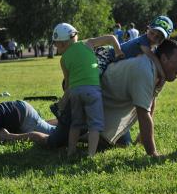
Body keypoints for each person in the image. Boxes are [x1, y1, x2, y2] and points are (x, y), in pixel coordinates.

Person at [0, 39, 177, 157]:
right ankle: (12, 135)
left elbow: (150, 102)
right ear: (163, 59)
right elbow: (143, 113)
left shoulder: (156, 73)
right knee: (55, 142)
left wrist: (142, 136)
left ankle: (58, 126)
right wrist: (153, 153)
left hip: (103, 104)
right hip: (85, 100)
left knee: (115, 143)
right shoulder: (144, 70)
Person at [51, 23, 124, 157]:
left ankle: (71, 152)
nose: (56, 47)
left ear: (61, 44)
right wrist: (118, 52)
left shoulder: (63, 59)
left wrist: (63, 102)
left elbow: (67, 84)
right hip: (92, 91)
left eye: (55, 44)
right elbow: (111, 38)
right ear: (75, 36)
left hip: (75, 93)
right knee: (94, 125)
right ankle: (91, 154)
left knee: (75, 124)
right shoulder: (87, 43)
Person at [97, 16, 173, 89]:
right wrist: (163, 76)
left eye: (158, 37)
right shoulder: (143, 40)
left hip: (117, 63)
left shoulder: (155, 48)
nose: (153, 38)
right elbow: (152, 57)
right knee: (95, 76)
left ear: (164, 39)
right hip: (107, 54)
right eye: (152, 33)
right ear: (148, 29)